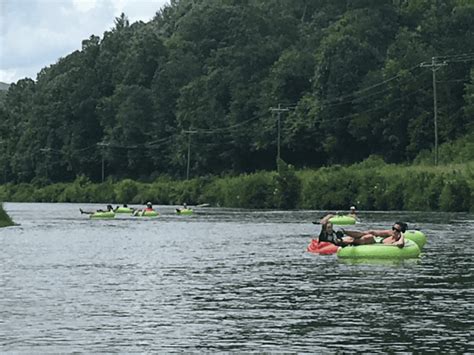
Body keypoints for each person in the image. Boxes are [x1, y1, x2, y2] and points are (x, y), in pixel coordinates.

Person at [318, 213, 407, 248]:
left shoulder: (399, 239)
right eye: (393, 228)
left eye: (397, 230)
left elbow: (400, 244)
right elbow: (375, 232)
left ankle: (339, 242)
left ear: (401, 232)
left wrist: (402, 236)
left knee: (368, 237)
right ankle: (343, 232)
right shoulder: (389, 233)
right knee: (367, 234)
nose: (394, 231)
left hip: (375, 244)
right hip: (373, 240)